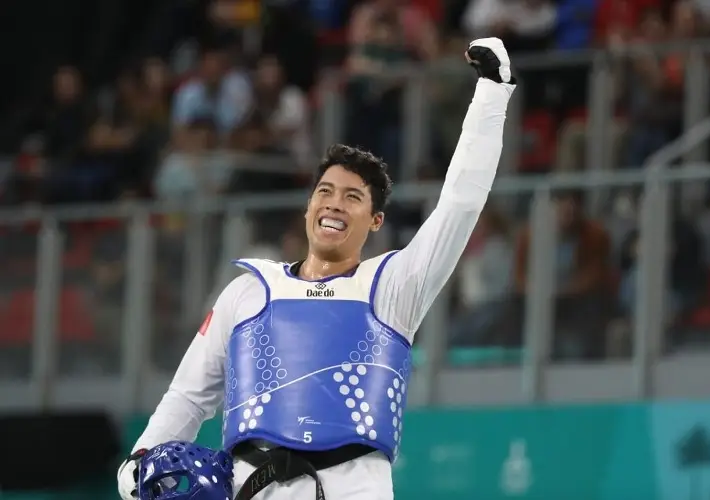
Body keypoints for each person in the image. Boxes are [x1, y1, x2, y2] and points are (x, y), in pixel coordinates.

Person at [118, 37, 516, 500]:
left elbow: (460, 204)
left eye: (353, 197)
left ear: (376, 220)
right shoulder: (246, 292)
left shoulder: (391, 287)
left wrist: (492, 92)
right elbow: (189, 395)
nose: (334, 204)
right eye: (325, 192)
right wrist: (139, 462)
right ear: (308, 206)